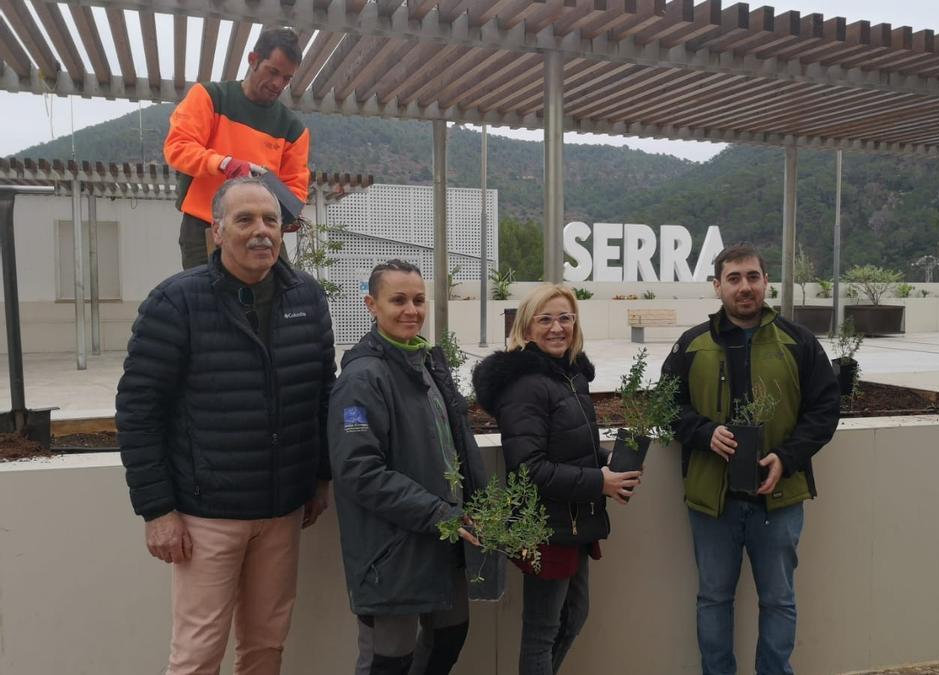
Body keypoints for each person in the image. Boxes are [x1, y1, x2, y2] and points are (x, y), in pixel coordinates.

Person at [116, 176, 335, 675]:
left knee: (265, 647)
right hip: (205, 516)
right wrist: (158, 511)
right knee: (197, 654)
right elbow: (137, 410)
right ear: (216, 232)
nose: (261, 232)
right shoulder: (176, 303)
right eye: (245, 220)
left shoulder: (308, 298)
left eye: (271, 220)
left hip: (283, 510)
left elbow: (324, 391)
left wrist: (319, 477)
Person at [660, 243, 840, 675]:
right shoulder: (691, 345)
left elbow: (825, 410)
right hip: (713, 501)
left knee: (779, 599)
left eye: (753, 277)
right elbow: (666, 406)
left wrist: (787, 457)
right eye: (735, 278)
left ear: (766, 283)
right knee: (713, 598)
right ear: (717, 286)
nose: (745, 287)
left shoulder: (799, 343)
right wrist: (704, 433)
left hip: (778, 497)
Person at [327, 259, 487, 675]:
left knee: (450, 637)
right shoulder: (362, 380)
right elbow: (359, 470)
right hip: (392, 552)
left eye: (418, 300)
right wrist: (439, 514)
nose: (411, 310)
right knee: (388, 661)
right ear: (371, 305)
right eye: (397, 300)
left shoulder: (428, 364)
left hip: (444, 539)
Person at [472, 285, 641, 675]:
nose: (557, 328)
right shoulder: (526, 386)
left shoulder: (569, 376)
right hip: (546, 526)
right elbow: (529, 468)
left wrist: (606, 462)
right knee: (543, 631)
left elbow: (569, 445)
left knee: (574, 616)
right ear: (527, 329)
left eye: (565, 318)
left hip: (573, 520)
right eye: (545, 319)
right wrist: (599, 482)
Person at [164, 26, 310, 269]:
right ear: (253, 60)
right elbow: (178, 148)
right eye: (272, 72)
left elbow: (296, 187)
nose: (277, 84)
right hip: (205, 225)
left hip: (262, 229)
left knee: (279, 297)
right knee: (207, 301)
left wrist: (286, 212)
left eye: (286, 78)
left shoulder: (293, 128)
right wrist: (224, 164)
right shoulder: (210, 97)